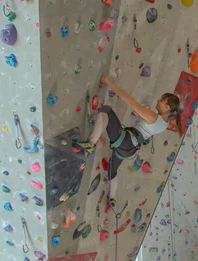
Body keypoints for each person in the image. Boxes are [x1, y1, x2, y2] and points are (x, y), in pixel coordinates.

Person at [75, 76, 183, 211]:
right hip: (129, 149)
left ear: (167, 107)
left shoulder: (153, 116)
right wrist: (143, 114)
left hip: (126, 140)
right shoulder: (164, 124)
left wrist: (110, 83)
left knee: (106, 110)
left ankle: (91, 143)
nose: (158, 100)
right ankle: (112, 198)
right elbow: (145, 128)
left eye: (161, 100)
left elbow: (130, 101)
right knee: (112, 169)